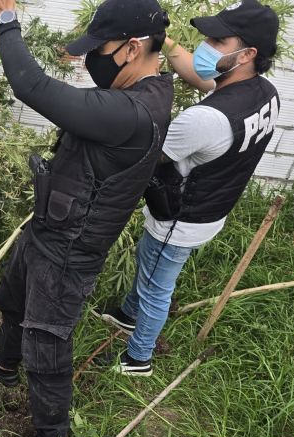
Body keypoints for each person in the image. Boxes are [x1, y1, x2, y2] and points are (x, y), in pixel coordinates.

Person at [0, 0, 173, 437]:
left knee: (48, 345)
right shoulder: (144, 93)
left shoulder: (131, 113)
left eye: (101, 48)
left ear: (132, 48)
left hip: (70, 250)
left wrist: (7, 21)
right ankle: (3, 364)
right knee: (12, 296)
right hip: (52, 227)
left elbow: (31, 85)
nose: (90, 58)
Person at [99, 0, 281, 376]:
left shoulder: (204, 119)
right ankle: (128, 314)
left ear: (246, 53)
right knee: (151, 267)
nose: (205, 45)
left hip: (180, 216)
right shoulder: (262, 92)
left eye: (217, 40)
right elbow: (200, 77)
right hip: (212, 207)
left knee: (156, 285)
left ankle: (138, 359)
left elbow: (143, 152)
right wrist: (163, 42)